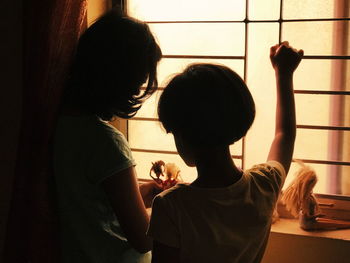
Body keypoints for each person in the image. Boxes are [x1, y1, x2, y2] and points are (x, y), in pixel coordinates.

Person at [147, 42, 303, 263]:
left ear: (181, 136)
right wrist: (284, 73)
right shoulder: (264, 185)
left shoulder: (171, 206)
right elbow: (285, 135)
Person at [53, 9, 162, 263]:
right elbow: (143, 238)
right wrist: (172, 214)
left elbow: (90, 201)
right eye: (138, 80)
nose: (138, 89)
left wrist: (140, 193)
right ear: (120, 78)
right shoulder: (107, 142)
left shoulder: (56, 126)